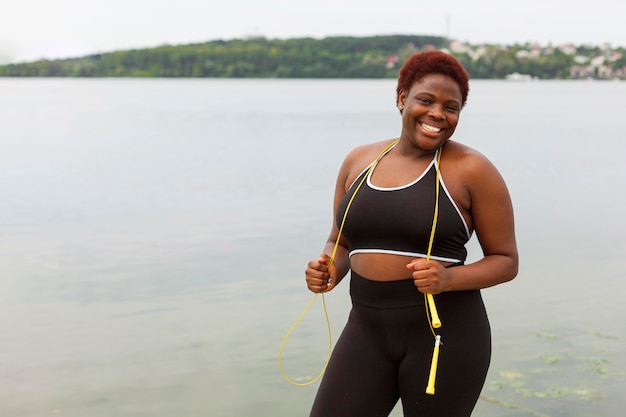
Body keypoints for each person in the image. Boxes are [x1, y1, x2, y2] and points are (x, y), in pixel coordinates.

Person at [304, 50, 519, 417]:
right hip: (366, 329)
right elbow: (341, 239)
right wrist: (330, 268)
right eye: (426, 100)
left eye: (451, 107)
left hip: (443, 336)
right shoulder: (358, 161)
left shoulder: (472, 170)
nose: (438, 114)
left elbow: (506, 261)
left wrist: (449, 278)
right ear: (402, 98)